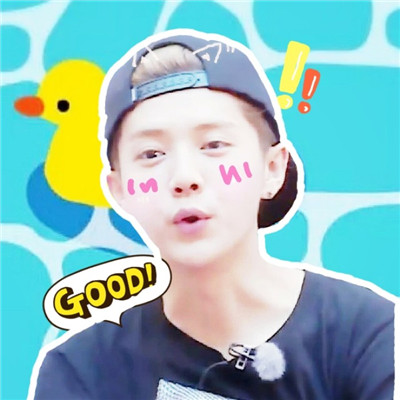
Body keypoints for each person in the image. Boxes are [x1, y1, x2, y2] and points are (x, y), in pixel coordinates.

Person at [32, 30, 395, 400]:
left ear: (272, 168)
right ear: (119, 189)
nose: (184, 177)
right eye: (152, 154)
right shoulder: (80, 371)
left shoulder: (371, 334)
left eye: (214, 144)